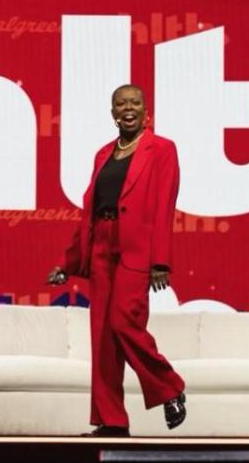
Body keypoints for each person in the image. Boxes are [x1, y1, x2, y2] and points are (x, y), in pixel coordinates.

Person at [47, 84, 187, 437]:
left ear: (145, 110)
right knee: (103, 337)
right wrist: (70, 262)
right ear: (112, 113)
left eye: (135, 103)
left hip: (136, 249)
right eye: (121, 104)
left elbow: (163, 207)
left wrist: (161, 261)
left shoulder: (162, 150)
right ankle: (111, 421)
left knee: (125, 323)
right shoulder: (103, 154)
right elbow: (90, 211)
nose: (128, 108)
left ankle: (170, 387)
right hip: (101, 247)